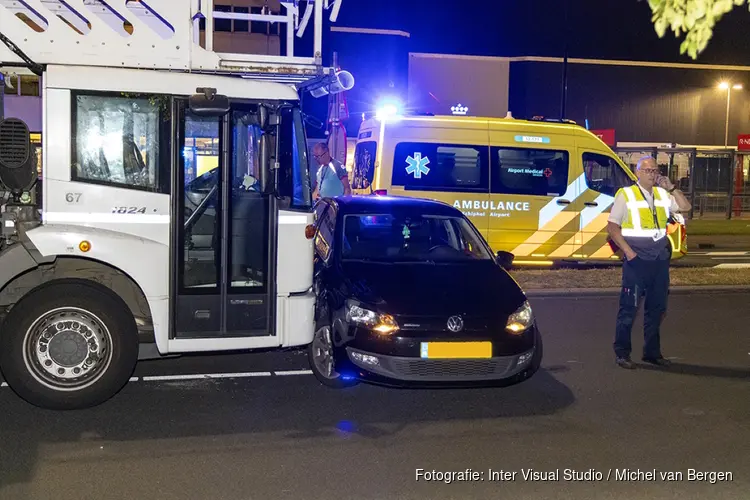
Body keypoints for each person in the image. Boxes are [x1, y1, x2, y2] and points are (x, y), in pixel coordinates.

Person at [606, 156, 691, 369]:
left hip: (659, 260)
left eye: (655, 170)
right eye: (648, 170)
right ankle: (622, 353)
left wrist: (671, 187)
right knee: (629, 309)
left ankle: (652, 353)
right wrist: (629, 253)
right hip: (637, 261)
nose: (652, 174)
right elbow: (612, 227)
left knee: (657, 309)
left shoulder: (663, 195)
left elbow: (686, 207)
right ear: (637, 173)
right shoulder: (625, 195)